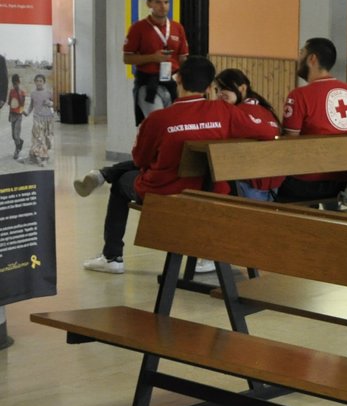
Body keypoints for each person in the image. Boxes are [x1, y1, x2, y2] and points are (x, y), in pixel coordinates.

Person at [83, 56, 278, 274]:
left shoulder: (158, 119)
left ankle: (112, 257)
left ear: (179, 80)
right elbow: (269, 131)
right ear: (208, 87)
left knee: (120, 183)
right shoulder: (225, 112)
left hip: (165, 194)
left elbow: (140, 160)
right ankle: (104, 176)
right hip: (211, 192)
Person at [276, 37, 347, 203]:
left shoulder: (299, 96)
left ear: (312, 58)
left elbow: (289, 142)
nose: (297, 58)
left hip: (307, 180)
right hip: (345, 179)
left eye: (301, 53)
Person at [215, 68, 283, 201]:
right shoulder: (264, 109)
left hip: (252, 181)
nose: (219, 94)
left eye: (224, 88)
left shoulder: (237, 112)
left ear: (242, 88)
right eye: (216, 90)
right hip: (272, 180)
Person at [123, 0, 188, 123]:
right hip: (148, 84)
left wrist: (185, 78)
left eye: (166, 2)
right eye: (158, 2)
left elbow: (183, 58)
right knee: (158, 123)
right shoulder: (138, 28)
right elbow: (127, 58)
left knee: (174, 124)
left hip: (172, 83)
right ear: (149, 4)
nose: (163, 6)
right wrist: (153, 57)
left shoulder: (177, 28)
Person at [25, 75, 54, 164]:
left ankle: (39, 154)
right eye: (37, 81)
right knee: (38, 137)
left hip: (48, 118)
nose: (39, 83)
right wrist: (27, 112)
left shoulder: (48, 93)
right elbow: (31, 106)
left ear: (44, 82)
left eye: (40, 81)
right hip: (37, 118)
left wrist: (49, 103)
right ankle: (42, 157)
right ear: (35, 82)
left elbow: (54, 104)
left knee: (46, 139)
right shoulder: (33, 93)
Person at [8, 73, 26, 160]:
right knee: (13, 135)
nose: (15, 85)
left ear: (19, 82)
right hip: (12, 115)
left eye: (16, 83)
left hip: (19, 116)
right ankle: (20, 142)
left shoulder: (22, 92)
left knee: (16, 134)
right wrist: (9, 114)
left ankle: (17, 150)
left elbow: (22, 104)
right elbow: (10, 104)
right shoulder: (11, 91)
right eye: (13, 83)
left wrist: (18, 92)